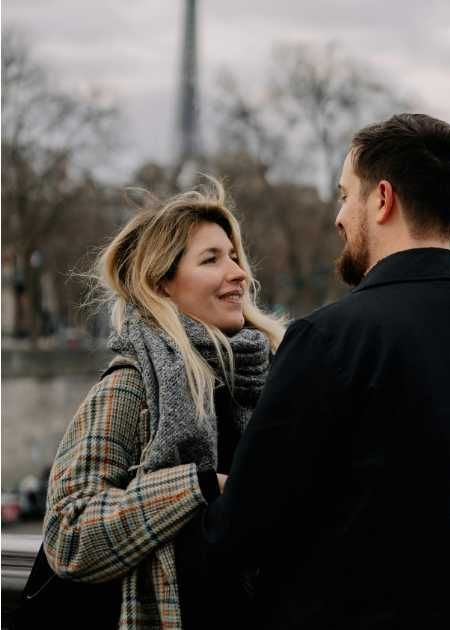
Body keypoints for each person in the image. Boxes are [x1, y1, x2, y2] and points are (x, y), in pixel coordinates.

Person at [197, 113, 450, 628]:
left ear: (382, 199)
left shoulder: (327, 340)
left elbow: (238, 530)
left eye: (345, 195)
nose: (339, 217)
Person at [39, 181, 286, 629]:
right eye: (211, 259)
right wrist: (197, 486)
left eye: (234, 256)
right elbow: (68, 534)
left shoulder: (271, 376)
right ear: (162, 284)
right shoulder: (130, 385)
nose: (239, 273)